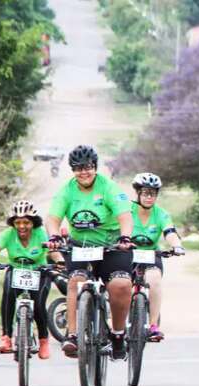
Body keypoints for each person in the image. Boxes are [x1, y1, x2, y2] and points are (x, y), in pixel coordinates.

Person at [46, 145, 134, 360]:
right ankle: (73, 335)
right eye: (77, 168)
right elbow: (53, 218)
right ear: (72, 170)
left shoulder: (109, 187)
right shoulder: (67, 190)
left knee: (121, 285)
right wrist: (54, 236)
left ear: (95, 167)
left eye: (87, 167)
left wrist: (125, 237)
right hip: (81, 247)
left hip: (112, 246)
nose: (83, 172)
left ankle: (118, 334)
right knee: (75, 281)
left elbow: (124, 215)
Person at [0, 200, 64, 359]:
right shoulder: (8, 234)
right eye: (18, 222)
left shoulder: (41, 233)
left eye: (26, 222)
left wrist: (59, 261)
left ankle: (43, 340)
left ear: (33, 222)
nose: (22, 226)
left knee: (39, 304)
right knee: (8, 297)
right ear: (13, 223)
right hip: (16, 270)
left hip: (39, 272)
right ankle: (6, 337)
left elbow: (52, 252)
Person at [131, 172, 185, 341]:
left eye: (153, 194)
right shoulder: (127, 210)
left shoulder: (161, 214)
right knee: (119, 283)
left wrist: (176, 245)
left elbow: (170, 232)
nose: (149, 197)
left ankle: (153, 325)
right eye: (146, 193)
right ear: (138, 193)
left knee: (154, 280)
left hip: (151, 255)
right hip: (128, 255)